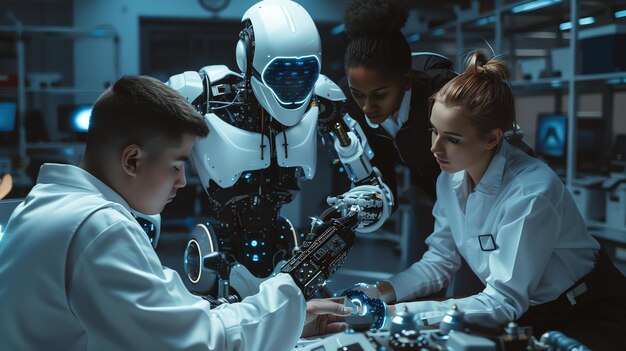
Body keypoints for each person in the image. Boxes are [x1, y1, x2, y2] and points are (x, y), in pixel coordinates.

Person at [0, 75, 350, 350]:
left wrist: (289, 321)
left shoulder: (47, 206)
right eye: (177, 166)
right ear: (132, 160)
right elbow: (199, 344)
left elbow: (174, 317)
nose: (183, 181)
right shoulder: (99, 228)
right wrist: (295, 281)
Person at [362, 52, 626, 350]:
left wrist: (391, 314)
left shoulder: (531, 192)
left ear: (491, 138)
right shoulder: (450, 179)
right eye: (433, 131)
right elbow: (439, 261)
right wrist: (377, 294)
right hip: (530, 311)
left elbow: (503, 300)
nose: (435, 147)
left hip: (588, 313)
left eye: (453, 138)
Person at [339, 0, 455, 264]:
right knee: (421, 271)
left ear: (405, 82)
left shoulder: (445, 97)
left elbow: (474, 165)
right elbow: (379, 173)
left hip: (476, 195)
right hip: (427, 189)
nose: (368, 107)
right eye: (359, 94)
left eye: (380, 95)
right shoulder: (348, 100)